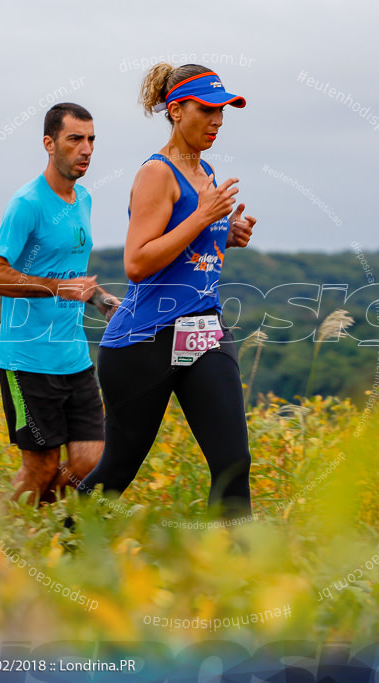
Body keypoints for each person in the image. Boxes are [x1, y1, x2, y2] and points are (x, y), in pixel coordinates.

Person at [77, 63, 257, 519]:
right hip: (144, 341)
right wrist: (201, 219)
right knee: (118, 469)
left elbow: (191, 254)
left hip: (202, 330)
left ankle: (242, 579)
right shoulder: (156, 174)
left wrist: (225, 234)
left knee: (233, 462)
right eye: (208, 110)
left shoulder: (207, 171)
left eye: (224, 111)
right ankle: (64, 542)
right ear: (177, 111)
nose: (218, 121)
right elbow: (137, 263)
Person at [0, 102, 119, 506]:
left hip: (73, 358)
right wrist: (56, 289)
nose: (86, 148)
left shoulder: (84, 199)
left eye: (91, 139)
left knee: (90, 464)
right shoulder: (27, 203)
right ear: (49, 143)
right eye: (75, 139)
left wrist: (104, 300)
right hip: (27, 362)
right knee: (40, 467)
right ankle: (8, 545)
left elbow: (71, 276)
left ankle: (45, 536)